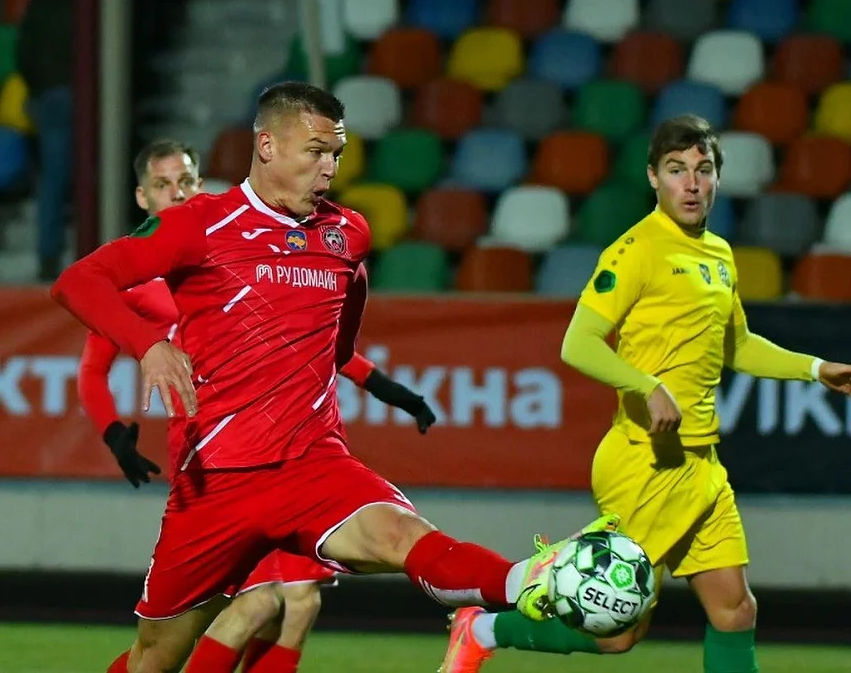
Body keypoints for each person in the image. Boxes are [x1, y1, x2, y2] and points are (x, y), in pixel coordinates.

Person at [51, 80, 614, 673]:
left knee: (400, 538)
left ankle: (537, 579)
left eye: (337, 153)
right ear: (267, 146)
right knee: (156, 658)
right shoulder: (201, 224)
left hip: (314, 464)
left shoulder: (347, 234)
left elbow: (341, 336)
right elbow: (78, 282)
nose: (330, 168)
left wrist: (346, 375)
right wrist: (148, 346)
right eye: (316, 151)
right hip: (217, 481)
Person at [437, 114, 851, 673]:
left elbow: (737, 345)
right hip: (646, 464)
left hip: (701, 465)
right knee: (619, 637)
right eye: (677, 170)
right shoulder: (635, 250)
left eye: (703, 170)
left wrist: (816, 369)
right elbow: (578, 343)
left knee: (734, 611)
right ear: (653, 177)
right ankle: (483, 628)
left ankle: (485, 624)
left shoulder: (719, 253)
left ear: (717, 178)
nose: (692, 183)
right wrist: (646, 385)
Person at [77, 138, 438, 672]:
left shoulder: (226, 245)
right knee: (261, 603)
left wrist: (389, 389)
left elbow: (309, 342)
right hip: (213, 456)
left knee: (294, 605)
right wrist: (113, 434)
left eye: (186, 180)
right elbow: (91, 370)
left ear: (200, 183)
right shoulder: (134, 280)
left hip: (277, 444)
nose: (177, 192)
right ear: (142, 197)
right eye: (162, 184)